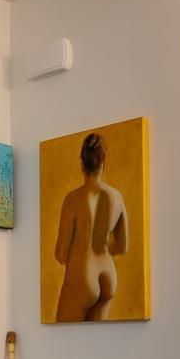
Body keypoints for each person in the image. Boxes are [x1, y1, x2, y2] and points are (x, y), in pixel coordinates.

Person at [53, 132, 128, 321]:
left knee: (63, 343)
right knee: (97, 344)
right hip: (109, 277)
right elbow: (122, 246)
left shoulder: (73, 199)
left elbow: (61, 255)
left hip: (82, 276)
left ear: (81, 165)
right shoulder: (116, 197)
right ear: (103, 163)